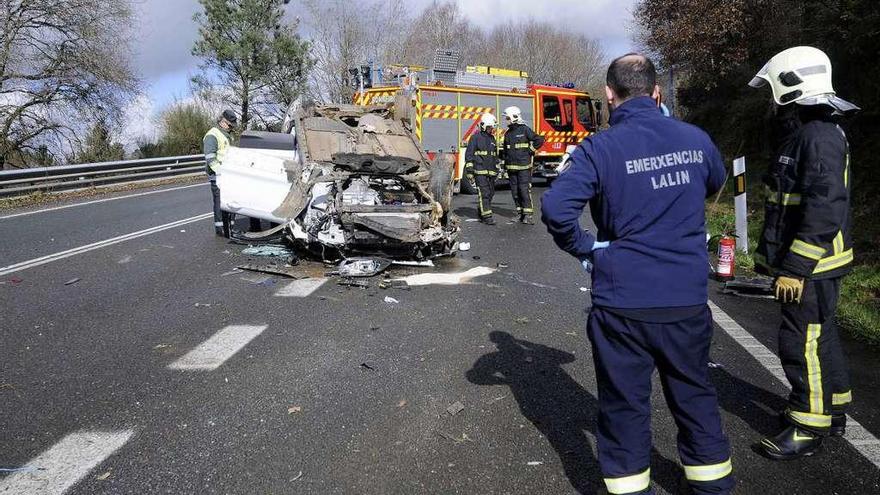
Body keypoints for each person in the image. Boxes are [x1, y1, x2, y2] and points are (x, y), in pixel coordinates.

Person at [541, 53, 733, 495]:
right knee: (695, 395)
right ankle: (713, 487)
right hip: (685, 299)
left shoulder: (598, 148)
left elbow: (556, 208)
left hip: (622, 303)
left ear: (609, 95)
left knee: (625, 406)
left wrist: (587, 248)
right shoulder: (695, 138)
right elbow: (714, 180)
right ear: (657, 92)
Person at [748, 46, 858, 460]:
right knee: (821, 335)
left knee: (801, 343)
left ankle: (807, 425)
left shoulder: (818, 136)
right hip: (816, 263)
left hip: (810, 266)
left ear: (791, 84)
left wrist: (794, 267)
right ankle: (834, 408)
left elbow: (825, 205)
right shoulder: (814, 130)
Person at [501, 106, 545, 224]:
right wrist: (505, 166)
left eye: (507, 118)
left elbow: (539, 140)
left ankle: (528, 215)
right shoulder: (507, 134)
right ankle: (519, 213)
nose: (506, 120)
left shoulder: (525, 130)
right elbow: (505, 151)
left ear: (514, 117)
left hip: (524, 168)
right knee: (515, 192)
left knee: (523, 190)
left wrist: (530, 150)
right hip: (511, 168)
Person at [204, 110, 237, 237]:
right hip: (218, 175)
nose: (231, 127)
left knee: (231, 200)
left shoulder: (228, 135)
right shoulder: (212, 135)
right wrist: (220, 173)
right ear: (222, 122)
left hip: (229, 174)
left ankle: (230, 225)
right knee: (219, 201)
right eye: (229, 125)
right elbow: (210, 157)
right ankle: (220, 228)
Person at [464, 113, 500, 225]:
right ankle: (487, 217)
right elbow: (469, 154)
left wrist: (497, 169)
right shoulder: (475, 138)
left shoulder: (492, 139)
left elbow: (494, 156)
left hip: (491, 172)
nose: (491, 130)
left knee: (490, 193)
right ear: (484, 126)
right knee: (484, 193)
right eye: (490, 128)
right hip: (479, 171)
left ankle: (482, 211)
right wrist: (470, 172)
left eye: (492, 128)